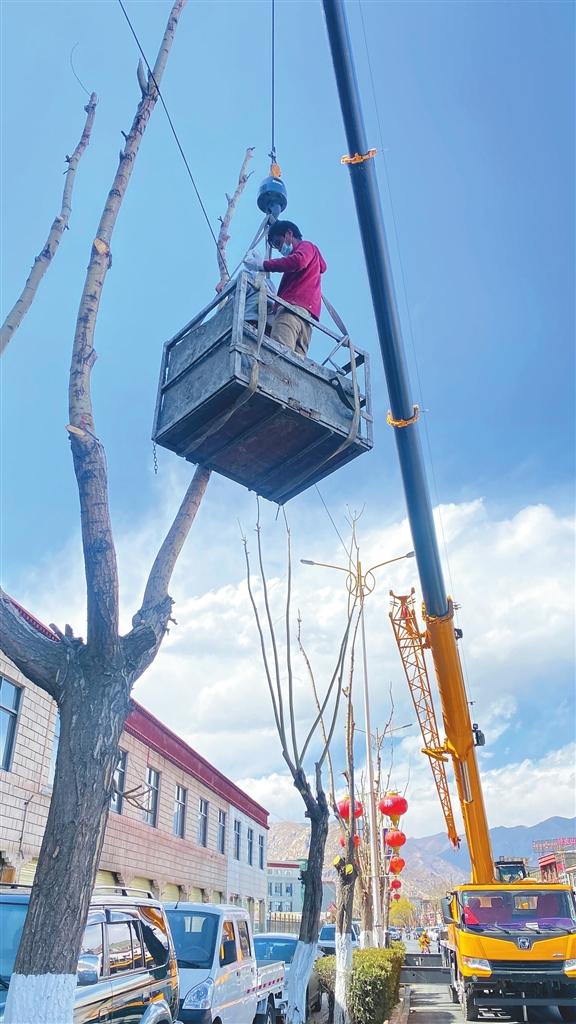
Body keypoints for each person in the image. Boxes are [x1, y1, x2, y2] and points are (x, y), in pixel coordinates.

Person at [243, 220, 326, 357]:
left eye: (278, 243)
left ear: (289, 234)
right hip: (306, 321)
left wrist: (262, 265)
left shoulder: (306, 247)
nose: (280, 250)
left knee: (278, 358)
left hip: (290, 312)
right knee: (294, 365)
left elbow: (298, 261)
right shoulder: (311, 269)